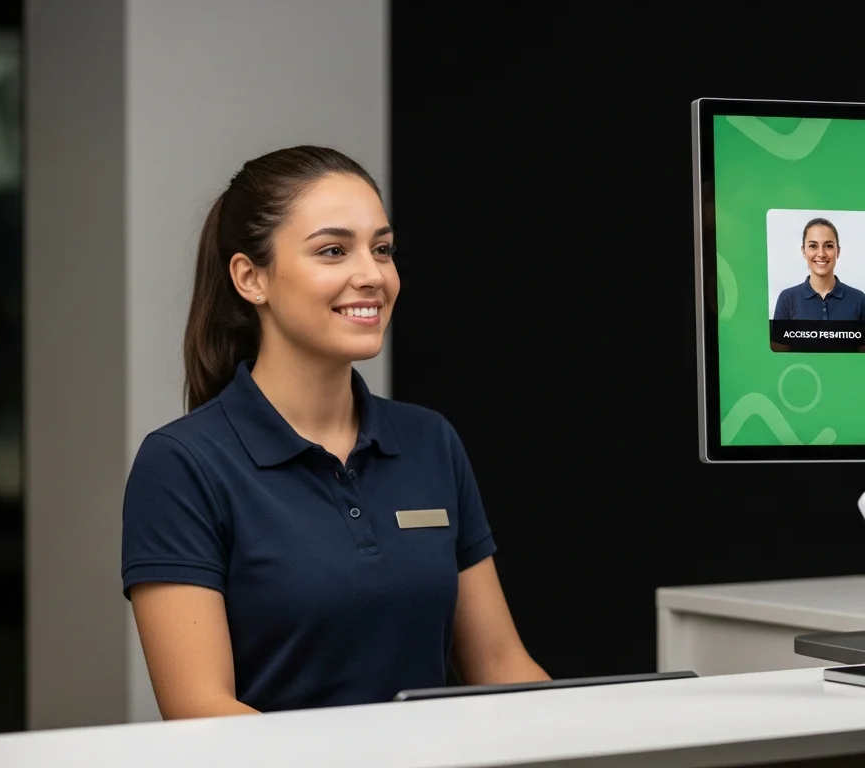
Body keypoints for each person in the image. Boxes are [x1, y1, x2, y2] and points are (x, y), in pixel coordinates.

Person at [121, 146, 548, 718]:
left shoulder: (430, 441)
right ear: (251, 278)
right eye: (333, 250)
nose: (371, 275)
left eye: (382, 249)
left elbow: (500, 666)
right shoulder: (181, 464)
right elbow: (202, 712)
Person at [771, 218, 865, 321]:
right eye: (813, 246)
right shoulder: (787, 299)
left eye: (828, 246)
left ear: (838, 251)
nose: (821, 254)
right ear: (803, 251)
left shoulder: (859, 299)